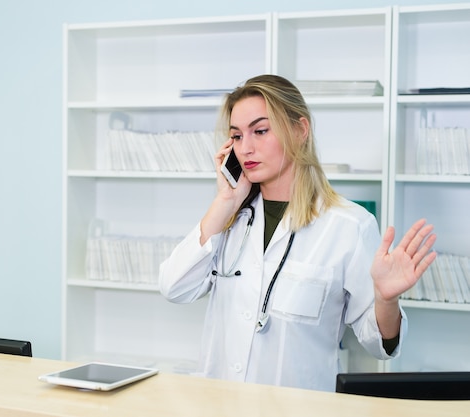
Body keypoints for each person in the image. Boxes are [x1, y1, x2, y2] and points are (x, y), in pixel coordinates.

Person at [158, 74, 437, 392]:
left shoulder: (349, 225)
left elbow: (379, 346)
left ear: (300, 130)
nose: (245, 148)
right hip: (222, 403)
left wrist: (386, 300)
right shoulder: (229, 217)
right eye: (236, 136)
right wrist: (224, 201)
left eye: (260, 131)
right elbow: (173, 288)